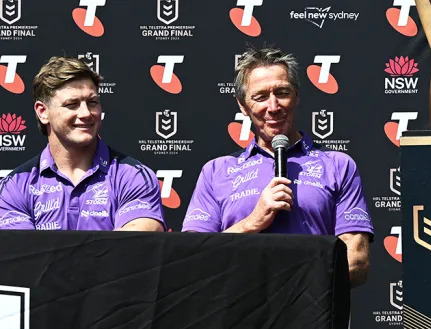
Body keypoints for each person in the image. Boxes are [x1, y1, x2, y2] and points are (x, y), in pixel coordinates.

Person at [182, 47, 372, 287]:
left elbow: (356, 263)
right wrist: (252, 223)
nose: (273, 106)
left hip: (312, 314)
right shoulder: (215, 171)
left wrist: (289, 286)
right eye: (260, 97)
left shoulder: (338, 166)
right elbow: (192, 260)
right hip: (238, 315)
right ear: (242, 105)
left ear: (297, 96)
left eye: (282, 93)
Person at [0, 57, 165, 231]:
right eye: (72, 104)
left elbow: (138, 246)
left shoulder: (133, 177)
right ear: (43, 112)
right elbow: (23, 254)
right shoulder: (14, 186)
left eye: (92, 102)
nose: (86, 113)